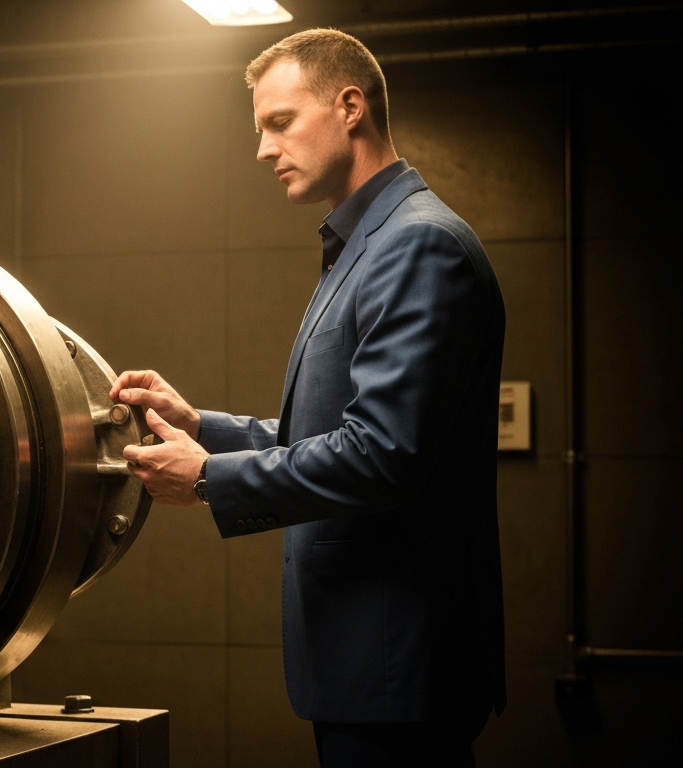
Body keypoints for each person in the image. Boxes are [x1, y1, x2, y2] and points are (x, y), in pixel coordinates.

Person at [111, 29, 506, 767]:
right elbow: (331, 432)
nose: (264, 150)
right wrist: (202, 428)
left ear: (350, 107)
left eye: (280, 122)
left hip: (398, 666)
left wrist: (206, 478)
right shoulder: (368, 243)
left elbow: (383, 454)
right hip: (370, 667)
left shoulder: (416, 245)